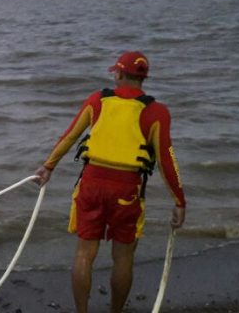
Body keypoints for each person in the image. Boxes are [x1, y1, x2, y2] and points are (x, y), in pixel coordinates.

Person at [33, 51, 187, 313]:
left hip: (92, 184)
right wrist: (179, 200)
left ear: (118, 73)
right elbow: (167, 159)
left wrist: (48, 166)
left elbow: (69, 136)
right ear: (143, 78)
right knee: (123, 258)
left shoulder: (98, 100)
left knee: (84, 254)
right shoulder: (156, 112)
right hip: (127, 189)